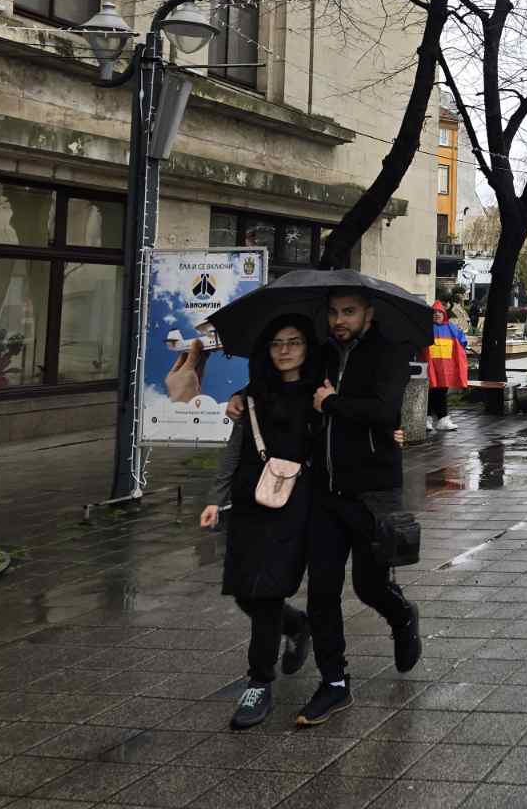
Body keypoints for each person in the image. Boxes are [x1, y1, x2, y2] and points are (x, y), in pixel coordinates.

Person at [235, 288, 420, 728]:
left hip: (373, 492)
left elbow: (386, 411)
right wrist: (245, 395)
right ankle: (335, 682)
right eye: (334, 312)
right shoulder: (322, 353)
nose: (340, 320)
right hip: (325, 494)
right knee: (321, 593)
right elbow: (288, 379)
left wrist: (332, 403)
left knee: (370, 587)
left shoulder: (390, 352)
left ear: (368, 314)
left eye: (349, 312)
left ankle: (401, 615)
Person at [200, 315, 318, 730]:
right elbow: (235, 450)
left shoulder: (319, 394)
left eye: (294, 342)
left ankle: (259, 681)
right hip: (250, 501)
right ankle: (297, 625)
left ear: (308, 347)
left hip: (295, 504)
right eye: (276, 343)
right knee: (243, 591)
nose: (284, 351)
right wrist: (215, 499)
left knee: (266, 592)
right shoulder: (252, 395)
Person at [424, 300, 469, 433]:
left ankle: (434, 419)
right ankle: (435, 419)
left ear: (444, 314)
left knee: (440, 391)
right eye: (434, 312)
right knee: (431, 391)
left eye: (440, 312)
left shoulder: (451, 327)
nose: (437, 314)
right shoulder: (426, 327)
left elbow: (462, 341)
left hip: (445, 368)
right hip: (430, 366)